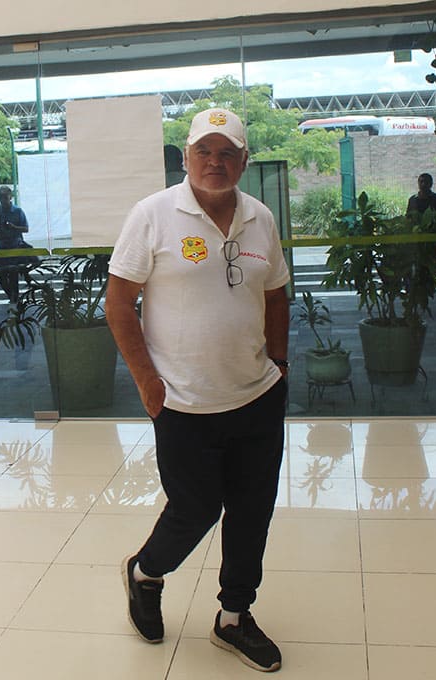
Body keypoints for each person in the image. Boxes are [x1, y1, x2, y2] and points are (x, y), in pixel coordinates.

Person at [106, 108, 289, 672]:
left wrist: (280, 364)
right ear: (186, 157)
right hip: (182, 401)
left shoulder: (260, 218)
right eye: (204, 151)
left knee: (252, 512)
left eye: (227, 152)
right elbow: (119, 303)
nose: (215, 162)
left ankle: (234, 616)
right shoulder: (153, 214)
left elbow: (276, 294)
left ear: (244, 161)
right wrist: (146, 379)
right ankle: (145, 573)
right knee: (196, 508)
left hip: (256, 396)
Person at [0, 185, 31, 304]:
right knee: (0, 276)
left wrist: (13, 227)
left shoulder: (18, 211)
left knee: (13, 275)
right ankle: (12, 296)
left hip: (15, 247)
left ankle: (14, 298)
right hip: (3, 247)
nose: (3, 200)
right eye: (1, 198)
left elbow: (26, 229)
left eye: (5, 197)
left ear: (10, 197)